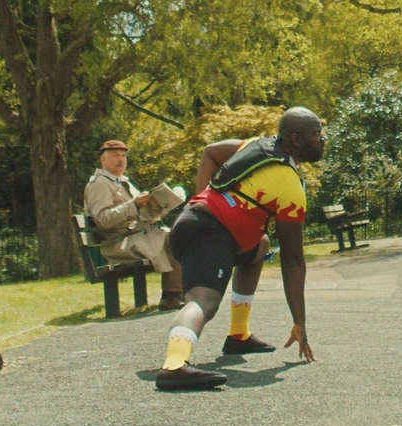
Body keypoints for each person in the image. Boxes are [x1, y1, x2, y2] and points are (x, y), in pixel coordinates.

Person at [154, 107, 325, 391]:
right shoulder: (290, 188)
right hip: (209, 232)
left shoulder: (253, 146)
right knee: (203, 302)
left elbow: (210, 152)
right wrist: (300, 322)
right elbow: (293, 261)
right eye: (316, 134)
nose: (322, 139)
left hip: (195, 222)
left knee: (260, 247)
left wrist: (196, 199)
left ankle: (238, 335)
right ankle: (174, 365)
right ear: (296, 139)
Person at [83, 139, 184, 311]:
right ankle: (172, 296)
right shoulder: (99, 184)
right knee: (170, 237)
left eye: (123, 156)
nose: (120, 159)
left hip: (135, 237)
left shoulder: (123, 182)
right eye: (115, 155)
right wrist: (134, 205)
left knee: (178, 233)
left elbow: (142, 215)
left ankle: (176, 293)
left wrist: (163, 206)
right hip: (117, 243)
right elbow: (103, 220)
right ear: (103, 159)